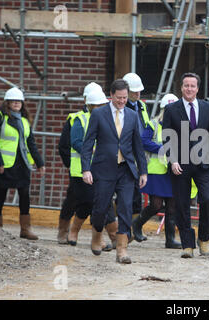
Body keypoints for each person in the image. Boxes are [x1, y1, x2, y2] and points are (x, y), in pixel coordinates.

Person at [81, 79, 148, 264]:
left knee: (126, 207)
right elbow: (88, 143)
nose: (122, 101)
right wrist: (86, 169)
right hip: (103, 169)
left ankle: (122, 249)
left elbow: (137, 146)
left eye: (125, 98)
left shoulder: (132, 116)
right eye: (118, 98)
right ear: (111, 96)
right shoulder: (99, 114)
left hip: (125, 170)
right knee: (101, 207)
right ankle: (96, 236)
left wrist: (143, 171)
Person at [162, 72, 209, 258]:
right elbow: (167, 137)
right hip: (181, 163)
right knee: (182, 204)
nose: (189, 89)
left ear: (198, 88)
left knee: (207, 200)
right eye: (186, 85)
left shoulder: (208, 108)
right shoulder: (171, 110)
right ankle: (187, 244)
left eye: (192, 86)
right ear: (181, 87)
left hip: (203, 163)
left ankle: (204, 239)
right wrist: (173, 159)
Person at [65, 89, 118, 251]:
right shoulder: (79, 119)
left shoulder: (108, 118)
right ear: (90, 105)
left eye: (103, 105)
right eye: (98, 105)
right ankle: (74, 231)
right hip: (82, 169)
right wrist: (93, 150)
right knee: (88, 203)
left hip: (102, 168)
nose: (101, 108)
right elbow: (76, 142)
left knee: (104, 203)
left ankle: (110, 237)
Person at [132, 93, 182, 249]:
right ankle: (137, 225)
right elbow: (143, 141)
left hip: (172, 171)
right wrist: (162, 148)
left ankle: (170, 239)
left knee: (172, 206)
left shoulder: (180, 126)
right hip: (157, 171)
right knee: (156, 204)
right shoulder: (153, 124)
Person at [0, 87, 45, 239]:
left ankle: (25, 229)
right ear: (7, 102)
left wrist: (40, 163)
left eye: (19, 101)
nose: (17, 103)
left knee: (24, 195)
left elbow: (31, 143)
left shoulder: (24, 121)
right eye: (14, 101)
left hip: (22, 164)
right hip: (4, 164)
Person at [57, 81, 103, 244]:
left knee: (91, 201)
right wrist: (71, 165)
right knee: (75, 200)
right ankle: (64, 231)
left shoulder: (103, 117)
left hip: (97, 168)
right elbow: (65, 145)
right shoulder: (77, 118)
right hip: (79, 169)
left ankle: (87, 235)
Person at [121, 72, 150, 231]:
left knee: (136, 193)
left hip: (138, 153)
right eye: (134, 91)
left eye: (139, 91)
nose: (138, 94)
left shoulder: (142, 106)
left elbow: (145, 127)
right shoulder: (121, 106)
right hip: (125, 154)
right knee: (126, 193)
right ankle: (123, 227)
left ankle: (132, 229)